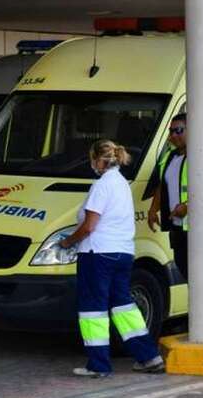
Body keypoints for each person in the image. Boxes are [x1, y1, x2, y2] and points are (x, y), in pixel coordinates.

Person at [59, 139, 165, 378]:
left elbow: (89, 226)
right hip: (123, 253)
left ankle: (98, 365)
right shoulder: (122, 184)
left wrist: (67, 242)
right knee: (124, 307)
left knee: (93, 310)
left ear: (99, 160)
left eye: (92, 159)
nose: (91, 164)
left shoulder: (102, 185)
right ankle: (149, 356)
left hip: (97, 254)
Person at [147, 113, 188, 280]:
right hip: (177, 226)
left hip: (197, 229)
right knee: (183, 266)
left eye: (179, 130)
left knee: (199, 273)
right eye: (171, 131)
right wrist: (153, 210)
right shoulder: (169, 156)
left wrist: (187, 207)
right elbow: (161, 186)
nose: (173, 135)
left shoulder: (201, 157)